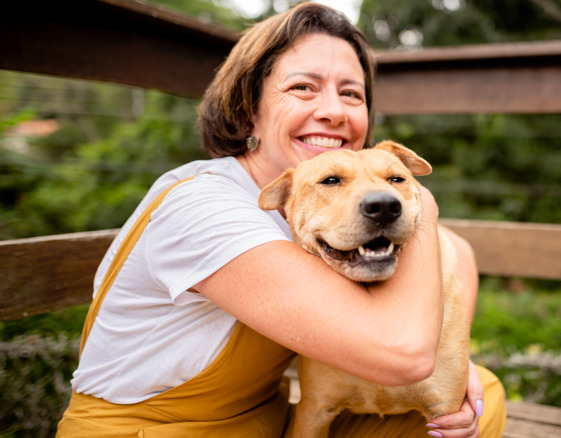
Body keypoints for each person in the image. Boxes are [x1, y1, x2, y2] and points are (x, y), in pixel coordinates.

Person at [56, 2, 506, 437]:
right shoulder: (203, 207)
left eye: (351, 94)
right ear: (248, 109)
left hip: (267, 422)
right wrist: (422, 201)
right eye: (303, 88)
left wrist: (452, 358)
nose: (334, 111)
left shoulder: (319, 207)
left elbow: (458, 252)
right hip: (154, 431)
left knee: (478, 396)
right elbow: (403, 355)